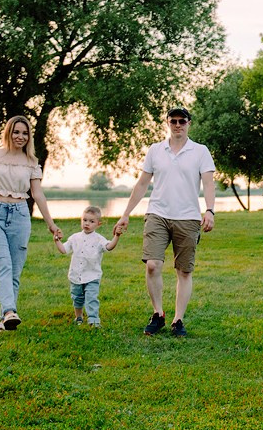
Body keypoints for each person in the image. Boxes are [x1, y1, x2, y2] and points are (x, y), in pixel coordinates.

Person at [114, 107, 216, 338]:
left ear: (189, 123)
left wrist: (209, 210)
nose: (177, 125)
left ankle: (178, 319)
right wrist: (126, 213)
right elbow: (142, 184)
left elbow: (209, 183)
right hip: (157, 214)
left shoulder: (200, 151)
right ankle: (158, 314)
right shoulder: (155, 150)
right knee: (152, 264)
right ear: (167, 123)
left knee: (184, 271)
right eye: (173, 121)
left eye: (182, 121)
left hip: (188, 217)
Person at [0, 115, 62, 333]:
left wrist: (50, 223)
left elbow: (37, 194)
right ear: (8, 133)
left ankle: (5, 319)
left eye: (24, 133)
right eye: (16, 132)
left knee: (14, 271)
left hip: (20, 216)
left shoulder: (31, 162)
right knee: (2, 263)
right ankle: (10, 311)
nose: (20, 136)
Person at [54, 205, 120, 327]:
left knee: (91, 298)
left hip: (92, 275)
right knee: (77, 298)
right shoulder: (75, 238)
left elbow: (109, 246)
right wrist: (57, 240)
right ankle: (78, 317)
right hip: (76, 275)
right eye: (84, 220)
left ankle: (93, 320)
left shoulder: (99, 239)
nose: (87, 224)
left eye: (91, 221)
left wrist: (117, 236)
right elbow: (64, 250)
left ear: (98, 224)